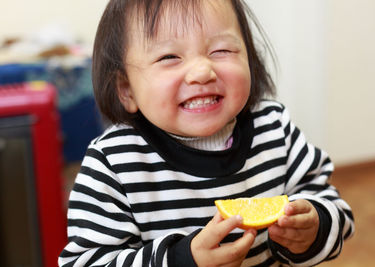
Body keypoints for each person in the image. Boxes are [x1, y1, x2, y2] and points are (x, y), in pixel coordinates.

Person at [58, 0, 354, 266]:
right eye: (169, 57)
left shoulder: (274, 128)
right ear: (126, 89)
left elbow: (332, 205)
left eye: (221, 50)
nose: (202, 71)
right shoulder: (112, 164)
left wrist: (313, 227)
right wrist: (180, 260)